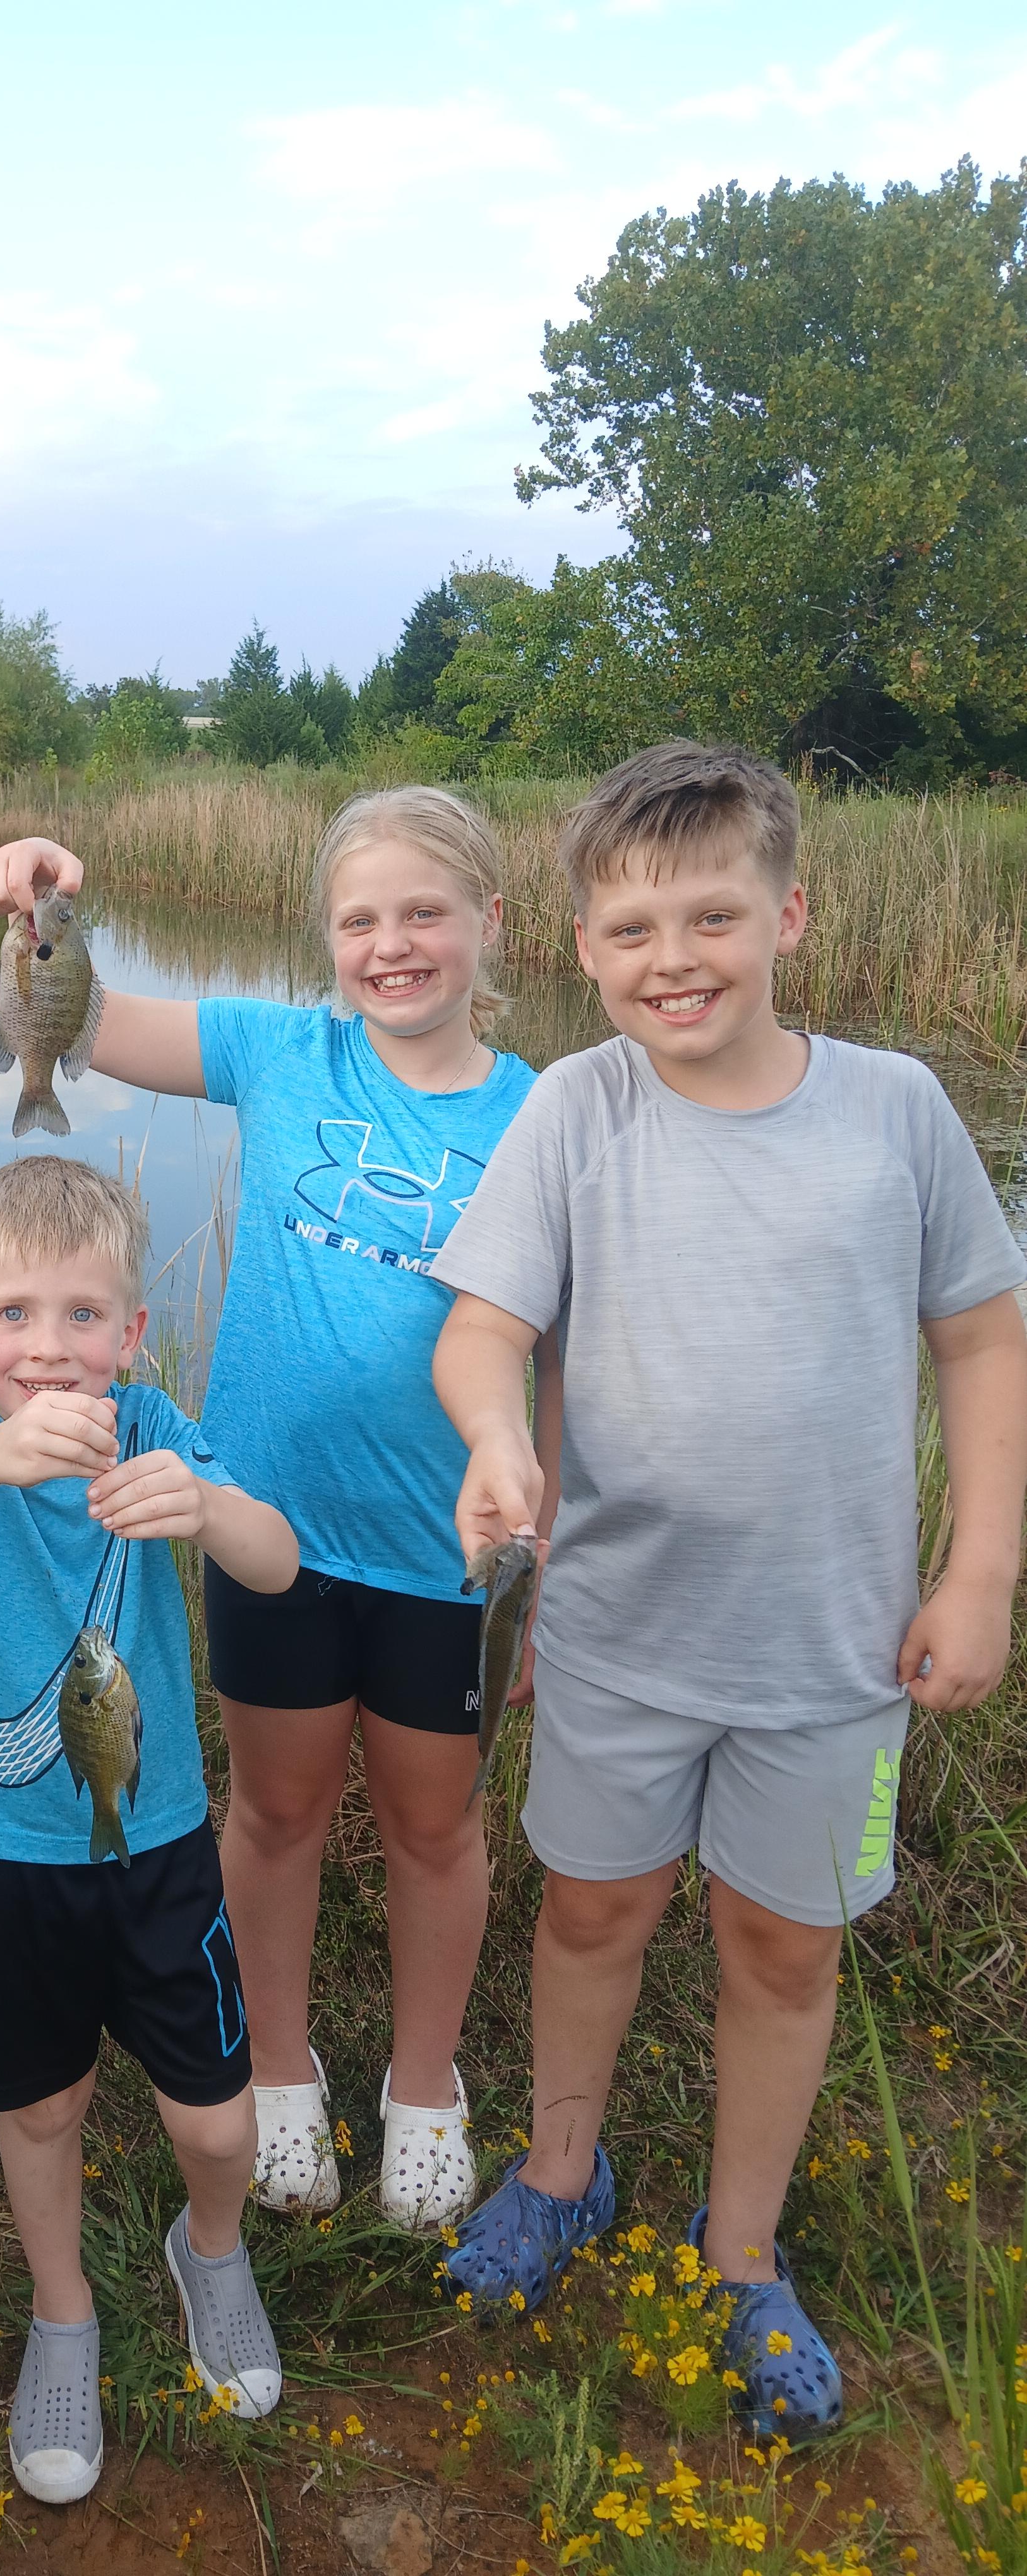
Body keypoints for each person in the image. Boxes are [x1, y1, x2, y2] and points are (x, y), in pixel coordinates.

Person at [428, 740, 1027, 2442]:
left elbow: (983, 1341)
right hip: (614, 1637)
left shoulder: (897, 1110)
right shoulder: (576, 1109)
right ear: (580, 945)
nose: (672, 959)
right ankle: (562, 2171)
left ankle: (743, 2245)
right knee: (592, 1914)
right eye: (629, 930)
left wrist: (981, 1571)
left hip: (834, 1655)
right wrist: (496, 1437)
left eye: (712, 916)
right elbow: (484, 1330)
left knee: (782, 1948)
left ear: (790, 914)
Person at [0, 793, 554, 2230]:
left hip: (449, 1554)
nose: (391, 945)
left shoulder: (543, 1115)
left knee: (436, 1829)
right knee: (276, 1812)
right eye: (360, 920)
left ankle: (426, 2086)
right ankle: (278, 2068)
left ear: (491, 924)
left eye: (424, 914)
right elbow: (86, 1022)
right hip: (264, 1531)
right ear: (327, 939)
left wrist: (548, 1568)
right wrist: (40, 904)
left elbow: (561, 1360)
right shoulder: (280, 1049)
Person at [0, 1157, 298, 2505]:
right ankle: (62, 2313)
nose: (49, 1348)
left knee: (218, 2125)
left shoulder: (151, 1425)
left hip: (160, 1843)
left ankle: (212, 2251)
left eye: (84, 1316)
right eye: (13, 1314)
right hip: (2, 1856)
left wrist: (206, 1506)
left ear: (131, 1333)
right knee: (42, 2106)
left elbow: (273, 1561)